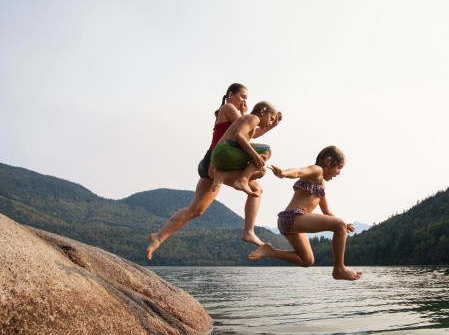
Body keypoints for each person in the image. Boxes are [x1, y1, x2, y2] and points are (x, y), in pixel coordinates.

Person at [146, 84, 281, 260]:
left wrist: (271, 125)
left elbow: (252, 133)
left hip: (211, 162)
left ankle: (158, 237)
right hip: (216, 161)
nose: (244, 101)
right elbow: (247, 131)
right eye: (242, 96)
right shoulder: (228, 107)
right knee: (257, 187)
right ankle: (248, 231)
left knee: (196, 209)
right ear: (230, 95)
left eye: (247, 98)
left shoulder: (242, 115)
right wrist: (250, 116)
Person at [248, 146, 362, 281]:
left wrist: (343, 226)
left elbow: (326, 211)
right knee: (339, 224)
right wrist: (283, 173)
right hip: (293, 217)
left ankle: (270, 251)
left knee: (307, 260)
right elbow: (298, 171)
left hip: (291, 223)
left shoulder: (320, 185)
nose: (338, 173)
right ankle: (339, 269)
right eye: (339, 168)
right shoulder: (317, 170)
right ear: (328, 162)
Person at [209, 101, 278, 197]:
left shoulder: (247, 122)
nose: (270, 123)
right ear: (262, 111)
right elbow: (239, 135)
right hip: (226, 149)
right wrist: (255, 155)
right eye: (271, 118)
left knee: (261, 171)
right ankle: (243, 180)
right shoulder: (254, 118)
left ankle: (224, 175)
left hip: (218, 157)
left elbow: (250, 135)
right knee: (267, 149)